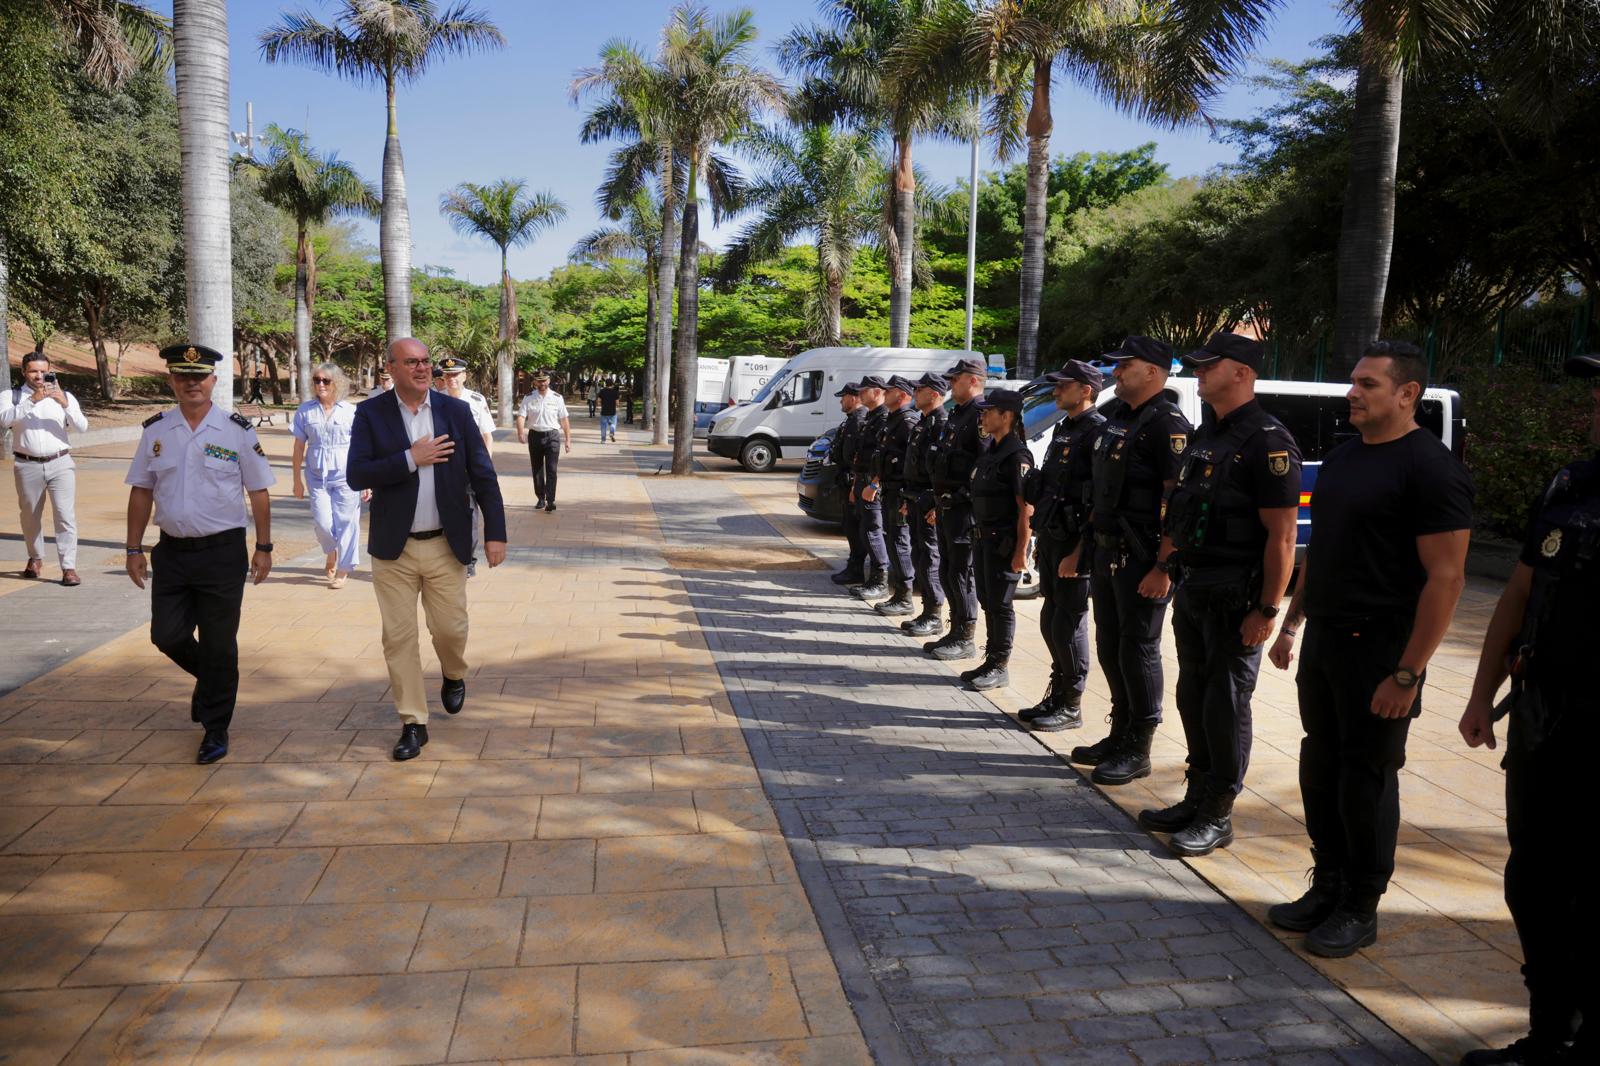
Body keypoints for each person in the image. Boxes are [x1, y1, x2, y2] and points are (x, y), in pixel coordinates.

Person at [1265, 340, 1472, 958]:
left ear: (1407, 394)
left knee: (1367, 777)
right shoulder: (1346, 457)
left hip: (1381, 649)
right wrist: (1293, 622)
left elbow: (1447, 578)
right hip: (1326, 638)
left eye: (1368, 385)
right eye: (1352, 381)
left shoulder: (1431, 469)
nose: (1351, 393)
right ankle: (1326, 884)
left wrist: (1407, 674)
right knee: (1320, 765)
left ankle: (1361, 903)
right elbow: (1322, 548)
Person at [1455, 353, 1599, 1066]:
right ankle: (1549, 1035)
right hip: (1545, 718)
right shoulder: (1572, 481)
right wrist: (1481, 695)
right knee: (1535, 880)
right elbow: (1517, 593)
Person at [1139, 334, 1301, 857]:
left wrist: (1269, 610)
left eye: (1211, 366)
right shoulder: (1209, 433)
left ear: (1243, 374)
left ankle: (1218, 812)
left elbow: (1282, 537)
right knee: (1195, 696)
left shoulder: (1268, 440)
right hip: (1196, 587)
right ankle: (1197, 793)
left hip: (1238, 596)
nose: (1200, 373)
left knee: (1226, 704)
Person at [347, 338, 507, 761]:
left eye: (425, 363)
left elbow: (483, 473)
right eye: (411, 363)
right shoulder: (370, 413)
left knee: (450, 629)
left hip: (444, 544)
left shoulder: (455, 412)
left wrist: (496, 531)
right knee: (398, 639)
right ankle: (414, 723)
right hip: (393, 551)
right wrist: (409, 458)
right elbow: (355, 473)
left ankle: (454, 673)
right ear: (392, 368)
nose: (421, 369)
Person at [124, 344, 275, 765]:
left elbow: (258, 492)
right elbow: (142, 490)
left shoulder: (236, 430)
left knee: (219, 644)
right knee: (166, 636)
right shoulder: (156, 430)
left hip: (223, 553)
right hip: (171, 553)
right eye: (182, 375)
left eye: (200, 376)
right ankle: (210, 681)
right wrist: (134, 547)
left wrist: (263, 546)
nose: (192, 383)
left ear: (213, 380)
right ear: (171, 380)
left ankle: (215, 728)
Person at [1075, 336, 1192, 786]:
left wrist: (1164, 566)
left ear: (1154, 371)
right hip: (1108, 552)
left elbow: (1177, 502)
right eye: (1117, 365)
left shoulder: (1168, 424)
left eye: (1127, 365)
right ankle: (1120, 731)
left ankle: (1139, 746)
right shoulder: (1118, 418)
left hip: (1144, 559)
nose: (1118, 372)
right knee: (1111, 645)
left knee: (1139, 648)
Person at [1019, 360, 1106, 732]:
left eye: (1063, 386)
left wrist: (1079, 553)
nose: (1056, 392)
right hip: (1054, 538)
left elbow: (1097, 501)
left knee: (1068, 624)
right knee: (1051, 619)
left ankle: (1071, 704)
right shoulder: (1065, 430)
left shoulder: (1096, 433)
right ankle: (1057, 695)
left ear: (1085, 390)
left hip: (1075, 545)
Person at [962, 389, 1032, 691]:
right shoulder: (991, 451)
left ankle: (999, 665)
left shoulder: (1017, 455)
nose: (983, 416)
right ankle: (991, 659)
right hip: (983, 540)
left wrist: (1021, 551)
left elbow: (1025, 509)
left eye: (989, 411)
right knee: (988, 601)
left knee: (1001, 605)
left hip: (1003, 543)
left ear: (1007, 416)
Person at [1, 352, 88, 585]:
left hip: (60, 463)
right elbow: (5, 419)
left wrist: (64, 402)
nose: (39, 376)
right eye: (33, 371)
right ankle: (35, 557)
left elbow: (82, 427)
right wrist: (34, 400)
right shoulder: (13, 396)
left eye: (43, 371)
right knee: (30, 517)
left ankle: (68, 567)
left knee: (65, 515)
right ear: (23, 372)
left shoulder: (64, 396)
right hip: (26, 464)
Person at [924, 357, 988, 660]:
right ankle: (955, 629)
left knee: (961, 573)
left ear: (973, 380)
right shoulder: (958, 414)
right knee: (949, 570)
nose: (950, 383)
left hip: (965, 510)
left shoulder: (980, 416)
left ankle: (966, 637)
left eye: (955, 378)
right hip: (947, 507)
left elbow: (984, 467)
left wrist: (960, 497)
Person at [292, 363, 364, 590]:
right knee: (323, 522)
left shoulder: (351, 411)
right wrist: (296, 480)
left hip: (346, 475)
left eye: (326, 381)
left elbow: (362, 448)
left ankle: (344, 568)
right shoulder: (305, 411)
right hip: (316, 475)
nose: (320, 384)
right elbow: (298, 447)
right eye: (317, 380)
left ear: (337, 383)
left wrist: (366, 480)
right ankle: (331, 550)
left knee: (346, 521)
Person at [899, 372, 948, 638]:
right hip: (916, 498)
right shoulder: (924, 422)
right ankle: (926, 610)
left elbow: (939, 471)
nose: (915, 393)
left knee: (929, 558)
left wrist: (935, 503)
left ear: (934, 393)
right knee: (919, 555)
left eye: (920, 389)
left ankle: (934, 614)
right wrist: (909, 499)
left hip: (930, 501)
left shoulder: (941, 424)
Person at [870, 376, 922, 616]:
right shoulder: (893, 420)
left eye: (889, 390)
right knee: (893, 540)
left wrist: (905, 496)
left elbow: (911, 464)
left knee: (900, 542)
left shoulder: (908, 422)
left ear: (901, 395)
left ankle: (905, 596)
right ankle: (898, 594)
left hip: (900, 493)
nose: (884, 393)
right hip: (890, 490)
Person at [440, 356, 496, 576]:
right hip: (442, 468)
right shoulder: (433, 400)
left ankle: (468, 559)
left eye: (455, 375)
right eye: (447, 375)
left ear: (464, 376)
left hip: (468, 469)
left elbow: (486, 436)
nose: (451, 379)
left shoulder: (476, 400)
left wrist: (485, 467)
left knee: (470, 515)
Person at [849, 376, 892, 601]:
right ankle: (873, 579)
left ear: (876, 392)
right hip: (863, 480)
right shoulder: (872, 416)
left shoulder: (883, 416)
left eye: (864, 391)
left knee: (873, 531)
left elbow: (882, 456)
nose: (860, 395)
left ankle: (880, 581)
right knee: (866, 531)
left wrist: (874, 483)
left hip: (872, 484)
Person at [829, 382, 869, 586]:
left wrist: (854, 483)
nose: (840, 401)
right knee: (849, 526)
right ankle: (853, 566)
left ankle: (856, 569)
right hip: (845, 479)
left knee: (855, 527)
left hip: (853, 480)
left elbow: (858, 456)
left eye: (843, 397)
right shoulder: (851, 420)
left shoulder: (860, 420)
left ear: (853, 398)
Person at [516, 370, 570, 512]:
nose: (542, 384)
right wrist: (521, 432)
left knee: (552, 469)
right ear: (535, 382)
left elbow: (564, 419)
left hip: (552, 436)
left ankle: (550, 500)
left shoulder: (557, 398)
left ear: (549, 381)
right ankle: (540, 497)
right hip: (535, 436)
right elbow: (521, 416)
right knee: (537, 469)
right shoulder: (528, 398)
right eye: (539, 381)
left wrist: (568, 440)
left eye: (544, 381)